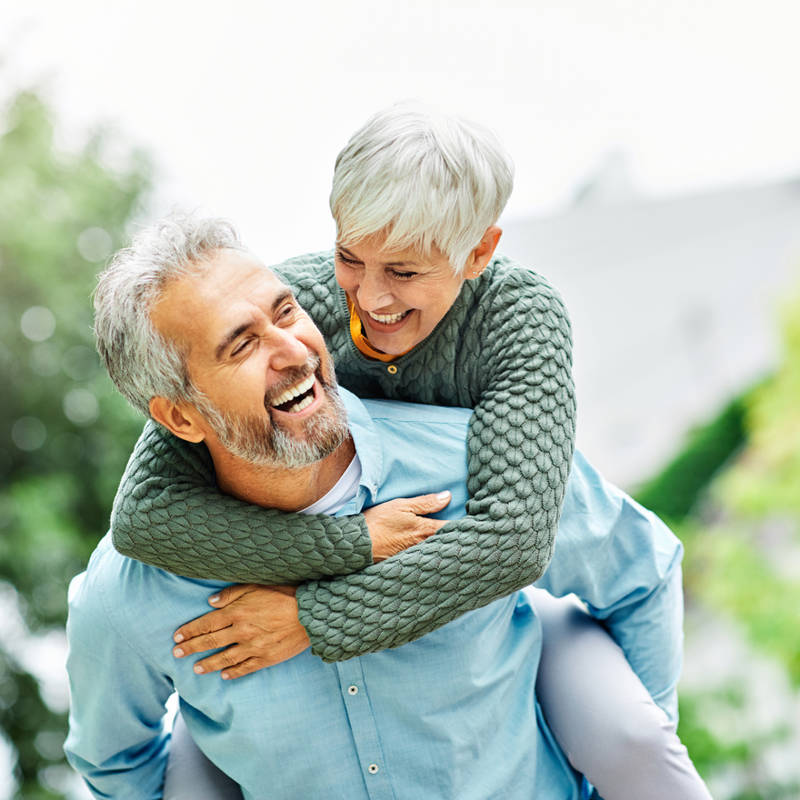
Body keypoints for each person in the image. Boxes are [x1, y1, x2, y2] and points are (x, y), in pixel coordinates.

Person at [102, 105, 710, 797]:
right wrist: (351, 545)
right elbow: (146, 515)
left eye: (404, 271)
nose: (368, 296)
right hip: (341, 620)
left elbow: (512, 542)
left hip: (502, 603)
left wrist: (311, 617)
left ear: (478, 254)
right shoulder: (299, 308)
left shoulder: (519, 319)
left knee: (636, 741)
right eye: (350, 257)